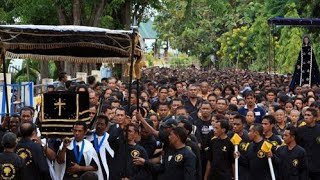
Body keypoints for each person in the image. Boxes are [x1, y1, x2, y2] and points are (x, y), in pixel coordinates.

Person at [87, 115, 114, 180]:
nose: (99, 126)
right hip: (87, 171)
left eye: (102, 124)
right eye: (97, 123)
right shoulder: (88, 136)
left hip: (104, 173)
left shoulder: (110, 139)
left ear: (106, 126)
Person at [296, 108, 320, 179]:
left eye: (309, 115)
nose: (306, 117)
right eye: (305, 115)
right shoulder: (299, 130)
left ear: (315, 118)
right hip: (304, 166)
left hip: (318, 166)